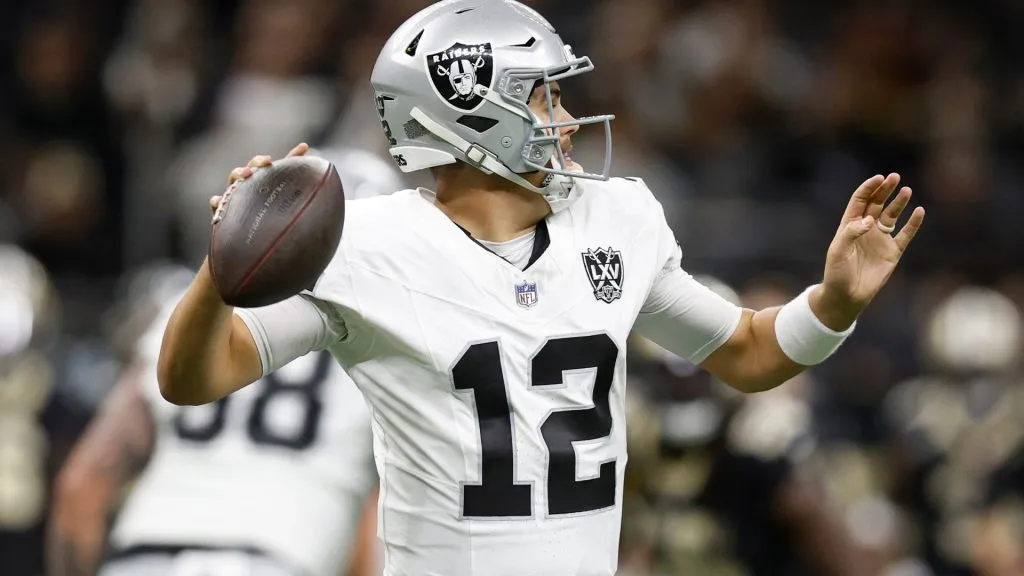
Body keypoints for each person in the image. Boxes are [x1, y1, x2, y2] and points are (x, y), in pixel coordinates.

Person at [157, 1, 925, 575]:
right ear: (471, 115)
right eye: (542, 96)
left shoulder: (616, 219)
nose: (567, 117)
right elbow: (192, 378)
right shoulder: (366, 243)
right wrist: (223, 271)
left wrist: (832, 304)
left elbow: (750, 353)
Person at [48, 265, 379, 576]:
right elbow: (375, 538)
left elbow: (80, 489)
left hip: (142, 558)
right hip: (278, 559)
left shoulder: (191, 309)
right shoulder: (382, 341)